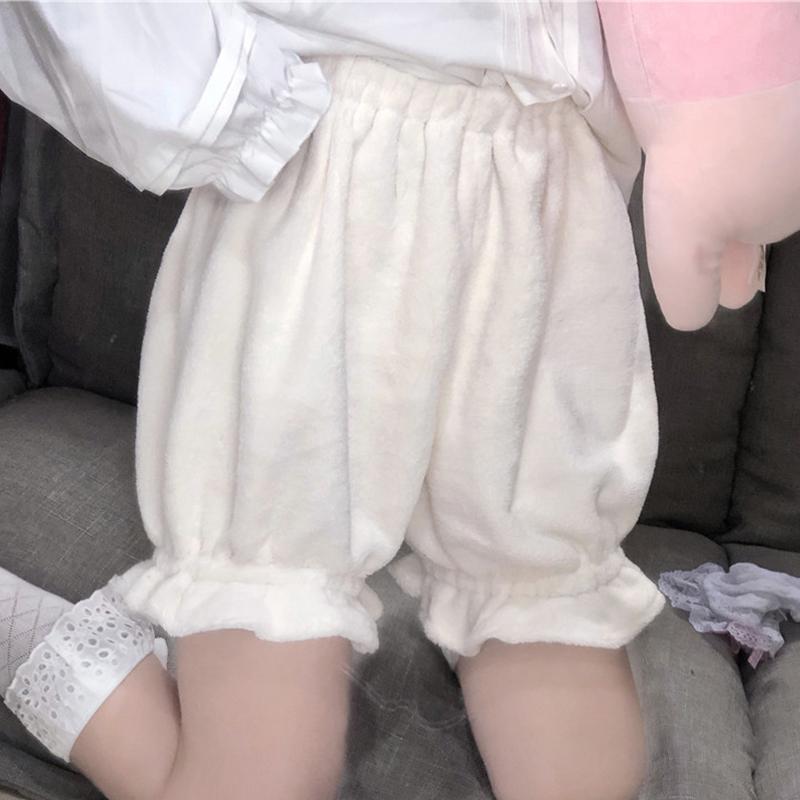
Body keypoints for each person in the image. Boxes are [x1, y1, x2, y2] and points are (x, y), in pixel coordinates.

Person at [0, 4, 665, 799]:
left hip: (555, 199)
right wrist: (218, 101)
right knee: (260, 771)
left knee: (577, 718)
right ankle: (40, 646)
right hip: (326, 169)